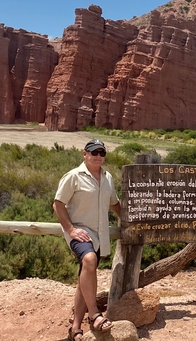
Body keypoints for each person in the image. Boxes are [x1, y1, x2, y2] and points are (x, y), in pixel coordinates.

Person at [53, 139, 121, 341]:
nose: (98, 156)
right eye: (94, 152)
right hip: (81, 233)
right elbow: (58, 204)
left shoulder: (107, 177)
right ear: (84, 154)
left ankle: (75, 328)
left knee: (86, 275)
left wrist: (130, 218)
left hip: (99, 235)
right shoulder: (74, 176)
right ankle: (94, 315)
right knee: (89, 260)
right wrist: (71, 229)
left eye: (102, 152)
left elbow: (115, 204)